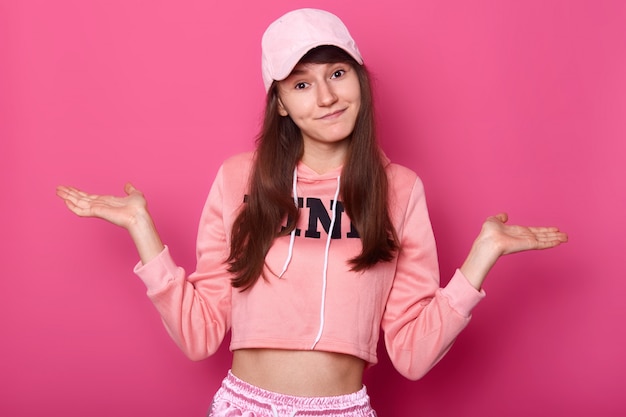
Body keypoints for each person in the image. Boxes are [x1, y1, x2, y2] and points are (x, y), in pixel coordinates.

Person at [56, 8, 568, 417]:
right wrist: (143, 233)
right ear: (278, 102)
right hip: (244, 408)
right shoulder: (240, 180)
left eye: (337, 74)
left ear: (360, 79)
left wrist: (482, 257)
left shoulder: (400, 191)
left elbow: (411, 355)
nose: (325, 97)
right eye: (300, 84)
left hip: (343, 409)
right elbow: (199, 335)